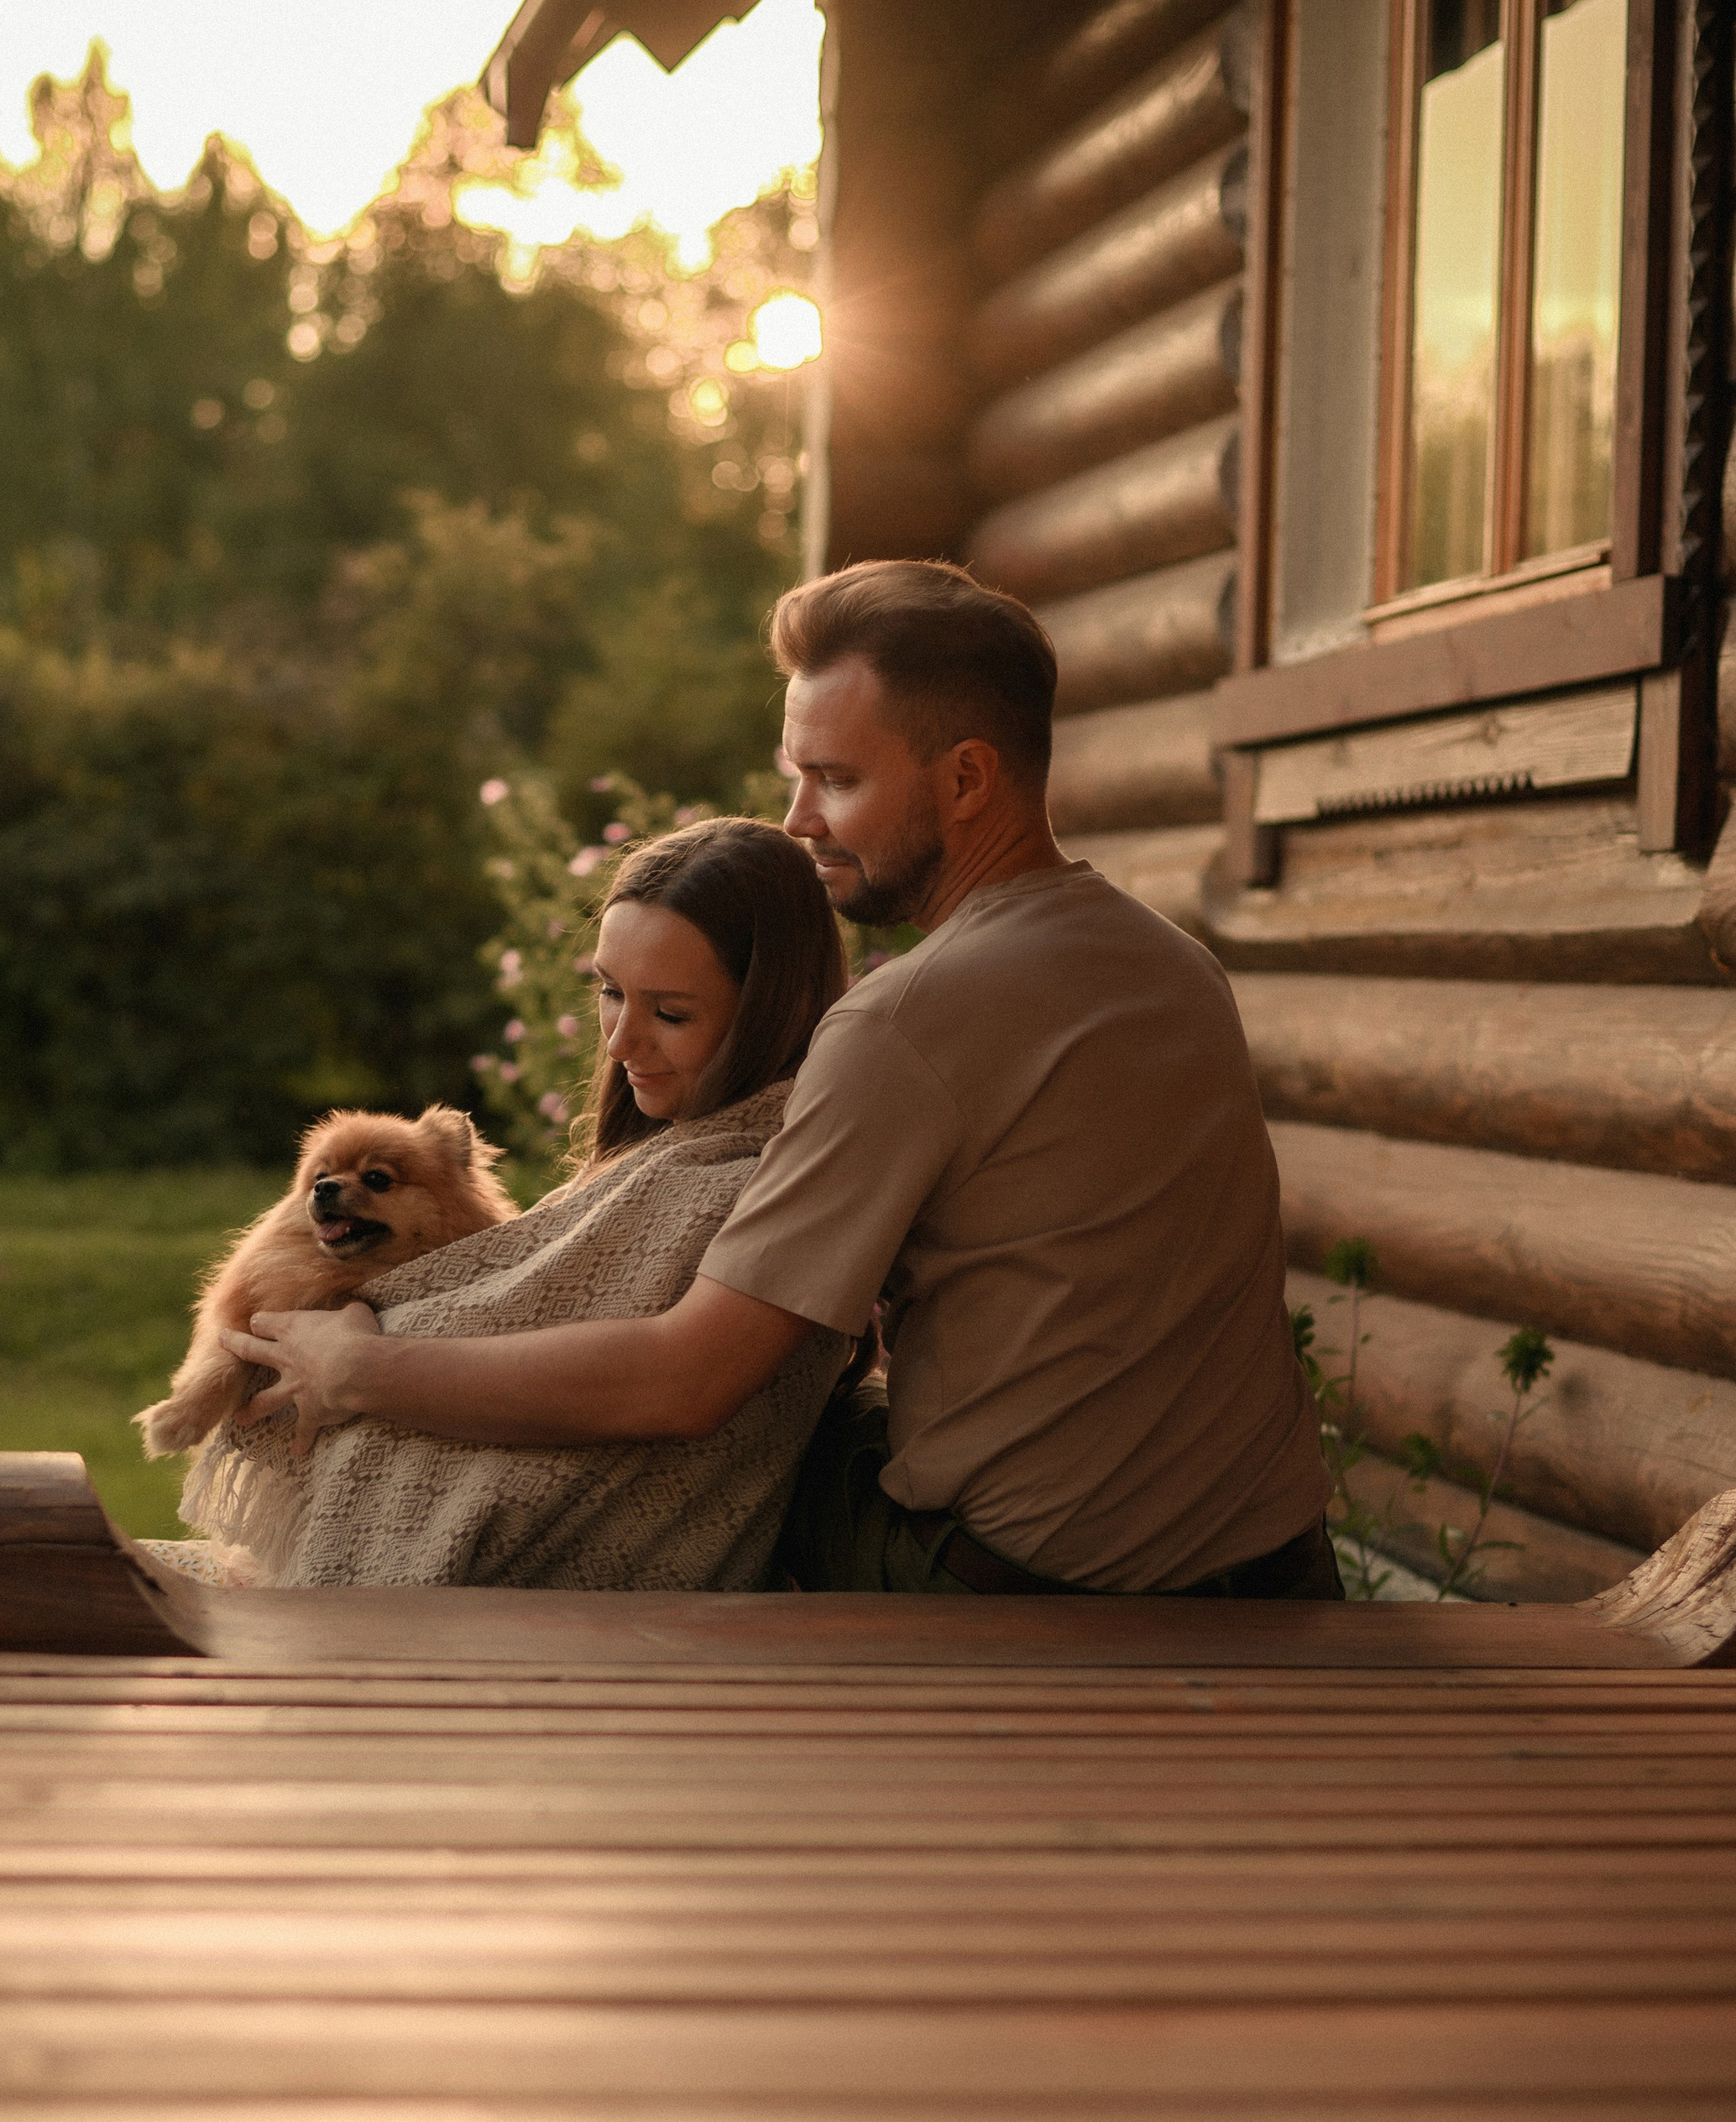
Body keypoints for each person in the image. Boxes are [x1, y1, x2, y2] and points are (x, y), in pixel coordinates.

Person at [232, 560, 1336, 1601]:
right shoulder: (1176, 965)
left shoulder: (904, 1021)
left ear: (966, 778)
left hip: (1030, 1590)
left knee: (731, 1451)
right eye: (795, 778)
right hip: (1277, 1563)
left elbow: (685, 1382)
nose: (800, 821)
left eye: (837, 780)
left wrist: (363, 1369)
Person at [179, 817, 854, 1589]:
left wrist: (362, 1364)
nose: (619, 1043)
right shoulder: (655, 1160)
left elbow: (672, 1382)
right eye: (609, 993)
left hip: (551, 1607)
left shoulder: (758, 1177)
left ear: (770, 1011)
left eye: (669, 1013)